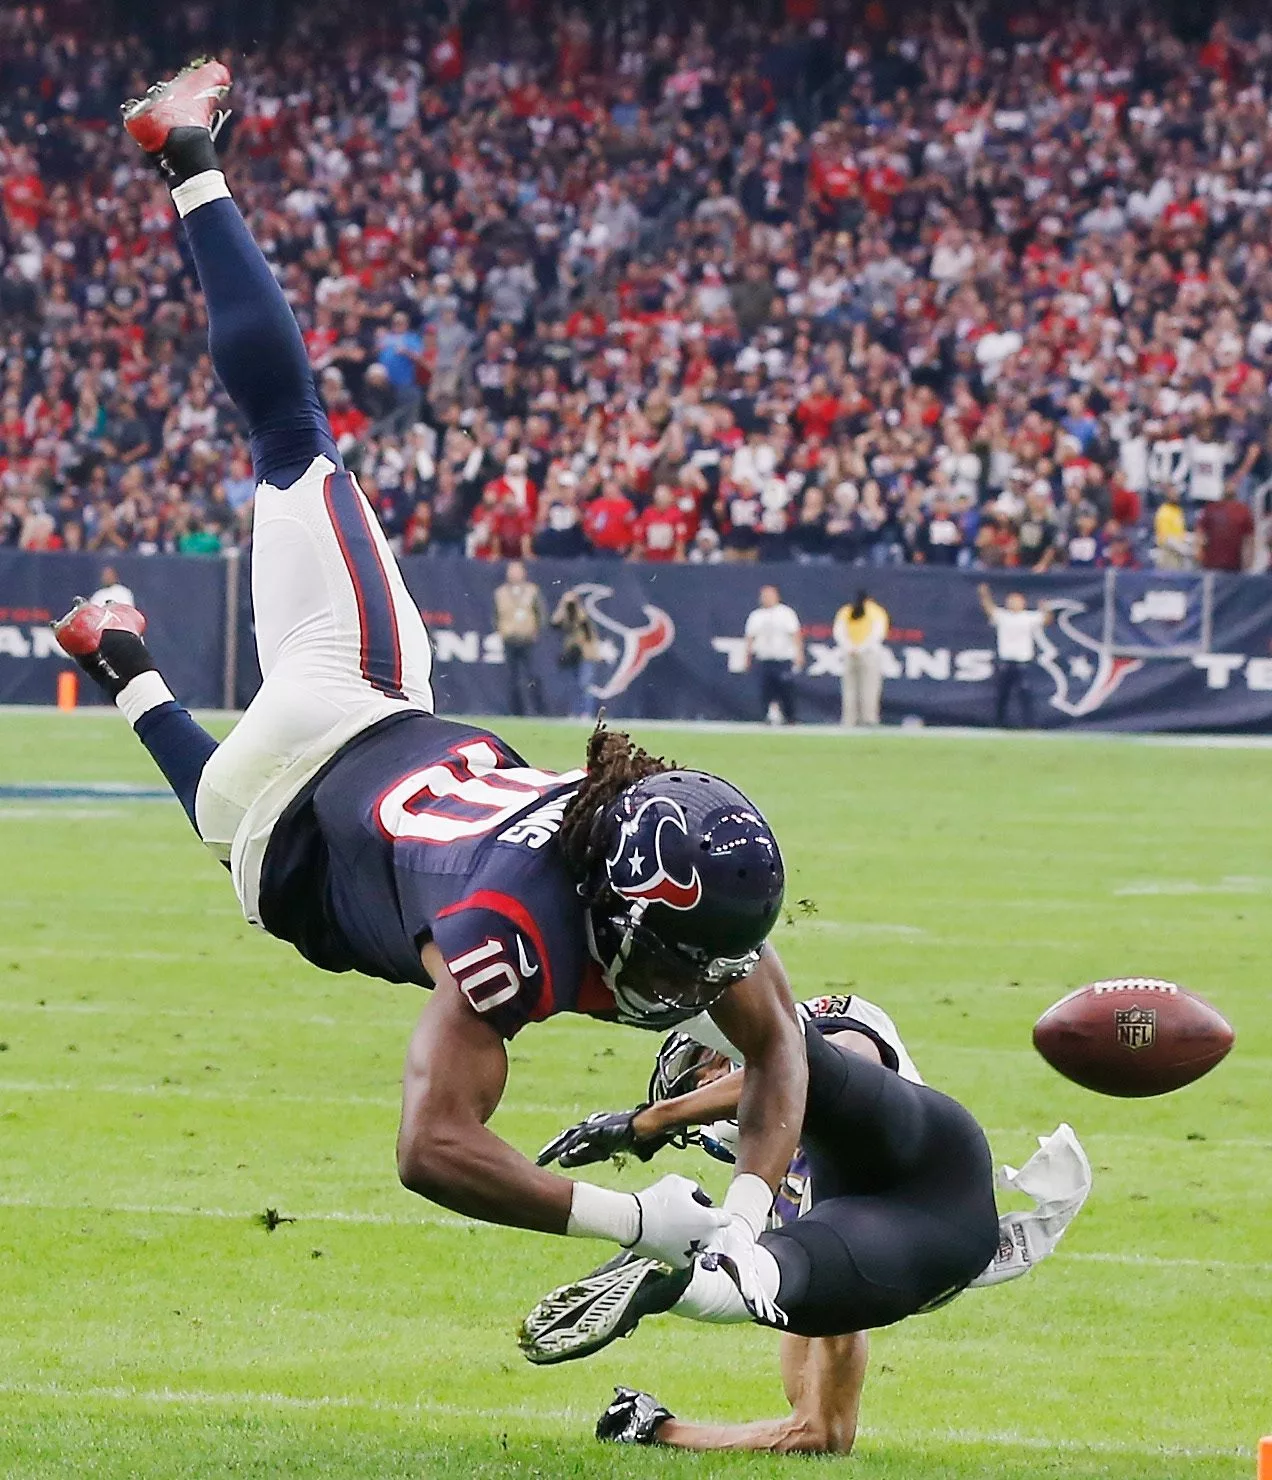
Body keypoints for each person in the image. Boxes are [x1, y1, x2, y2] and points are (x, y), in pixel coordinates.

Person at [53, 63, 808, 1279]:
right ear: (616, 905)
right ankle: (119, 652)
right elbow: (428, 1147)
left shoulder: (656, 872)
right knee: (232, 777)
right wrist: (633, 1223)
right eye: (674, 958)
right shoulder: (513, 931)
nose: (688, 988)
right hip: (287, 839)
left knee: (292, 432)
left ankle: (187, 157)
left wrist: (750, 1223)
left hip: (343, 745)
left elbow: (776, 1045)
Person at [521, 994, 1090, 1453]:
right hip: (898, 1246)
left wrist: (647, 1122)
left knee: (773, 1250)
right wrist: (662, 1432)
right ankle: (677, 1281)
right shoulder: (783, 1200)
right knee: (763, 1282)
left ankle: (677, 1264)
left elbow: (805, 1067)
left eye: (703, 1077)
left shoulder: (819, 1033)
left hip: (930, 1167)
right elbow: (823, 1431)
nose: (702, 1091)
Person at [977, 584, 1052, 729]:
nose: (1013, 603)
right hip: (1005, 661)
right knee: (1002, 694)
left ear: (1023, 603)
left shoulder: (1029, 617)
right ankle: (999, 723)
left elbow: (1046, 620)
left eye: (1016, 600)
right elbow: (990, 610)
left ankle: (1029, 724)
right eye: (1011, 600)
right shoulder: (1003, 616)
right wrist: (985, 595)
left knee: (1025, 694)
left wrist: (1045, 608)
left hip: (1023, 661)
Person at [744, 585, 804, 725]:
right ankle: (767, 716)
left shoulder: (786, 613)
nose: (766, 599)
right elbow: (750, 637)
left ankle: (790, 718)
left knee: (786, 689)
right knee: (766, 690)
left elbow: (795, 634)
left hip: (782, 658)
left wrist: (799, 654)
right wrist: (747, 657)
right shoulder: (756, 616)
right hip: (765, 658)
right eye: (764, 596)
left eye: (769, 595)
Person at [493, 560, 545, 716]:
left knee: (532, 675)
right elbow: (495, 615)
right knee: (512, 677)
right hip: (509, 637)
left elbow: (540, 613)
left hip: (527, 638)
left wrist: (536, 630)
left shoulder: (532, 591)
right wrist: (501, 631)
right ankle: (516, 711)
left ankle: (539, 709)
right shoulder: (500, 593)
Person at [831, 590, 888, 728]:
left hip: (849, 653)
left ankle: (849, 719)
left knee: (849, 688)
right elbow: (877, 634)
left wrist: (850, 647)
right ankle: (868, 719)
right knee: (870, 687)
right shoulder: (876, 611)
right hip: (869, 653)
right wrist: (861, 648)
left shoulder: (846, 611)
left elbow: (839, 632)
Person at [551, 586, 601, 720]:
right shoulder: (565, 616)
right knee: (573, 686)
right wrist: (563, 605)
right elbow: (554, 623)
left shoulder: (582, 613)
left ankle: (587, 712)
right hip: (572, 653)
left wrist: (575, 605)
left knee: (585, 684)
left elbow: (584, 624)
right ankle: (575, 712)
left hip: (586, 653)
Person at [1196, 484, 1255, 573]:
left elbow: (1250, 539)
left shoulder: (1243, 511)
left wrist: (1249, 560)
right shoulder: (1211, 508)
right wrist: (1199, 552)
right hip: (1212, 565)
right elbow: (1200, 533)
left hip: (1233, 565)